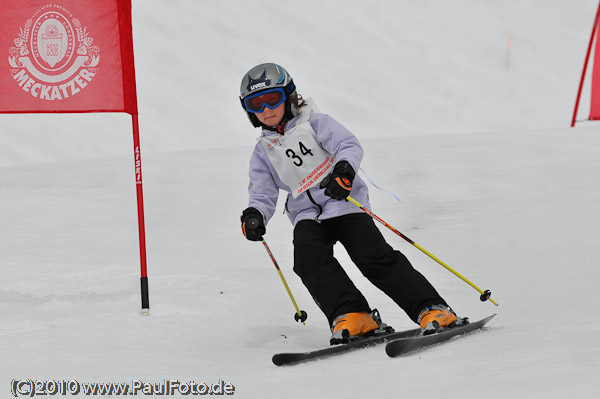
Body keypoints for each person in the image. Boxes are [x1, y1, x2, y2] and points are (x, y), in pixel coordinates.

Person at [239, 63, 457, 344]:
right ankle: (353, 314)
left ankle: (431, 308)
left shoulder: (315, 123)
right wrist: (255, 214)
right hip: (307, 215)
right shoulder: (263, 152)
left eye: (273, 99)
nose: (267, 109)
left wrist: (344, 171)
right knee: (308, 260)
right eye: (256, 104)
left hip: (345, 203)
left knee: (373, 257)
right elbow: (262, 191)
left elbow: (349, 145)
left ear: (289, 97)